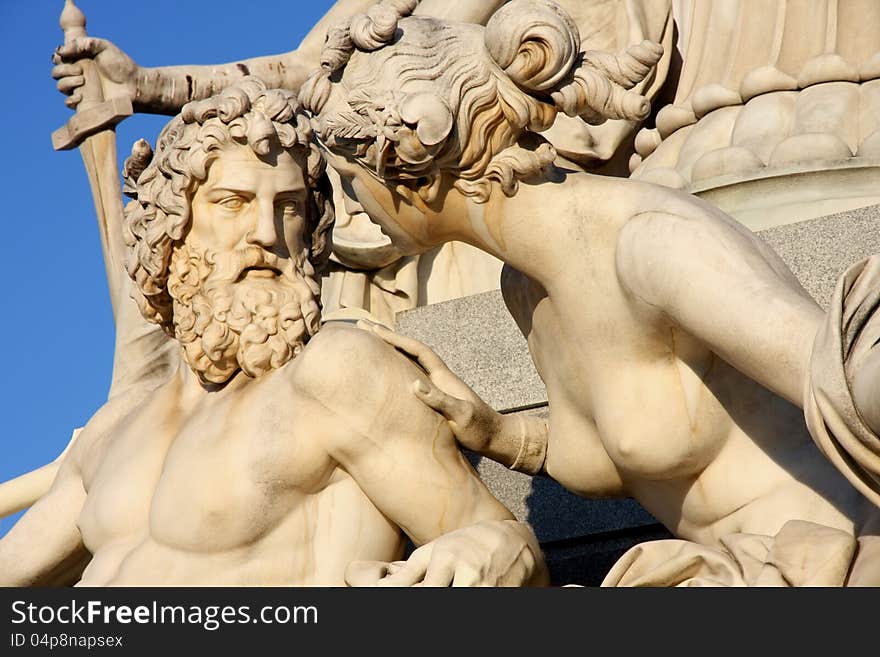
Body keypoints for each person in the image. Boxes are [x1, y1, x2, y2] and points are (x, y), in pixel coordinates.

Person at [299, 0, 880, 586]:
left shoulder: (649, 245)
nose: (354, 207)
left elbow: (842, 381)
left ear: (409, 168)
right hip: (715, 575)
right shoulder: (525, 287)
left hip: (827, 565)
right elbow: (620, 440)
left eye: (351, 182)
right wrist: (498, 435)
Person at [0, 78, 546, 587]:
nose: (266, 232)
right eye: (233, 202)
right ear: (172, 230)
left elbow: (496, 537)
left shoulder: (336, 371)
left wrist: (477, 556)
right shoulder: (115, 428)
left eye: (288, 208)